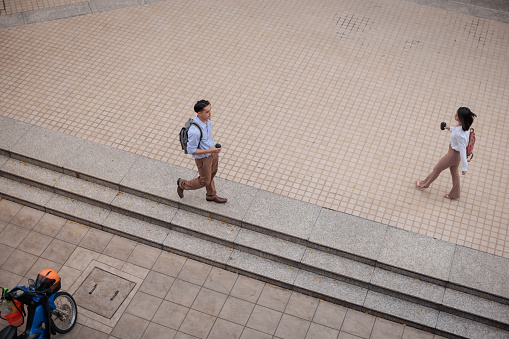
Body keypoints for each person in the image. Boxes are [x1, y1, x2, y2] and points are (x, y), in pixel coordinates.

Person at [415, 107, 477, 200]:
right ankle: (455, 194)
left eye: (456, 115)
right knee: (454, 173)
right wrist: (450, 128)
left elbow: (463, 150)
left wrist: (465, 167)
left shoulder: (460, 135)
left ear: (461, 118)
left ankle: (423, 184)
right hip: (455, 154)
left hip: (453, 155)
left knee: (437, 169)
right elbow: (457, 130)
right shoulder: (465, 126)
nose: (454, 116)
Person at [177, 100, 227, 203]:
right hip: (203, 159)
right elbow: (192, 150)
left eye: (210, 110)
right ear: (199, 113)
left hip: (213, 153)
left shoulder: (207, 121)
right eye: (207, 112)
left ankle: (211, 195)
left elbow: (207, 139)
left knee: (212, 174)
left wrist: (214, 149)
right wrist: (210, 150)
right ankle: (182, 184)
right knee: (205, 180)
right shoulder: (194, 131)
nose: (210, 113)